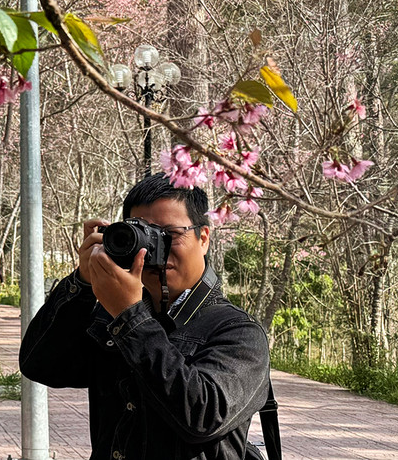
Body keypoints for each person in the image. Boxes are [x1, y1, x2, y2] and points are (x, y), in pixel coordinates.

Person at [20, 174, 271, 460]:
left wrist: (130, 318)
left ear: (203, 238)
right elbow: (40, 366)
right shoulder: (112, 316)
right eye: (144, 235)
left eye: (170, 236)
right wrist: (84, 284)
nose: (154, 250)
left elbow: (201, 418)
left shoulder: (238, 332)